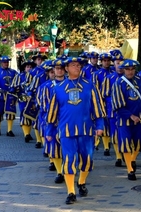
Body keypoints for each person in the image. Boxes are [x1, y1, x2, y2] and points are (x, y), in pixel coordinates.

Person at [47, 57, 105, 204]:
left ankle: (82, 182)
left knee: (87, 160)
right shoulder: (58, 88)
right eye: (73, 65)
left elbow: (97, 108)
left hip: (86, 130)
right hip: (66, 131)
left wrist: (99, 126)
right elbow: (52, 111)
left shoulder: (89, 85)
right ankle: (71, 192)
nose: (76, 67)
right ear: (66, 68)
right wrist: (49, 131)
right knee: (69, 160)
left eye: (78, 65)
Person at [111, 59, 141, 181]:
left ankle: (132, 159)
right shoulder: (118, 84)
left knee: (139, 143)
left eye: (132, 69)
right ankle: (130, 170)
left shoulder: (140, 81)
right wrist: (131, 116)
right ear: (123, 70)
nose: (130, 71)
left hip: (139, 118)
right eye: (128, 69)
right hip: (124, 120)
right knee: (126, 143)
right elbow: (118, 106)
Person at [42, 58, 66, 183]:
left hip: (68, 120)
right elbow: (44, 104)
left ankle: (68, 169)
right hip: (53, 121)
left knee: (69, 146)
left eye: (62, 68)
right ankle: (59, 172)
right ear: (53, 70)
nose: (60, 70)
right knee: (54, 147)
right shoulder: (46, 86)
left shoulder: (71, 84)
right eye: (57, 69)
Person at [101, 52, 124, 167]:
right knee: (115, 134)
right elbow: (104, 95)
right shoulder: (109, 79)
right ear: (113, 64)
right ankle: (118, 157)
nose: (119, 66)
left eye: (121, 63)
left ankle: (126, 153)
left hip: (127, 112)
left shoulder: (129, 77)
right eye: (117, 63)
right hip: (113, 111)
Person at [27, 60, 53, 149]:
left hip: (53, 106)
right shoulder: (38, 77)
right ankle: (39, 141)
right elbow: (30, 89)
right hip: (39, 102)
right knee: (38, 123)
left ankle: (49, 145)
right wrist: (31, 97)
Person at [92, 53, 113, 156]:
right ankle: (106, 147)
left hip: (113, 102)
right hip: (102, 101)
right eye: (104, 60)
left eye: (108, 60)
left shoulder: (114, 72)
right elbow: (95, 89)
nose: (106, 62)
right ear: (101, 61)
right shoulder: (97, 74)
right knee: (104, 123)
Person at [9, 59, 36, 142]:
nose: (29, 68)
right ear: (24, 68)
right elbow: (12, 87)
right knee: (24, 114)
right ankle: (26, 134)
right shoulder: (19, 76)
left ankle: (31, 133)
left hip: (33, 99)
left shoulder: (36, 76)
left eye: (31, 67)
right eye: (27, 67)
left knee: (33, 115)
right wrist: (15, 88)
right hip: (22, 98)